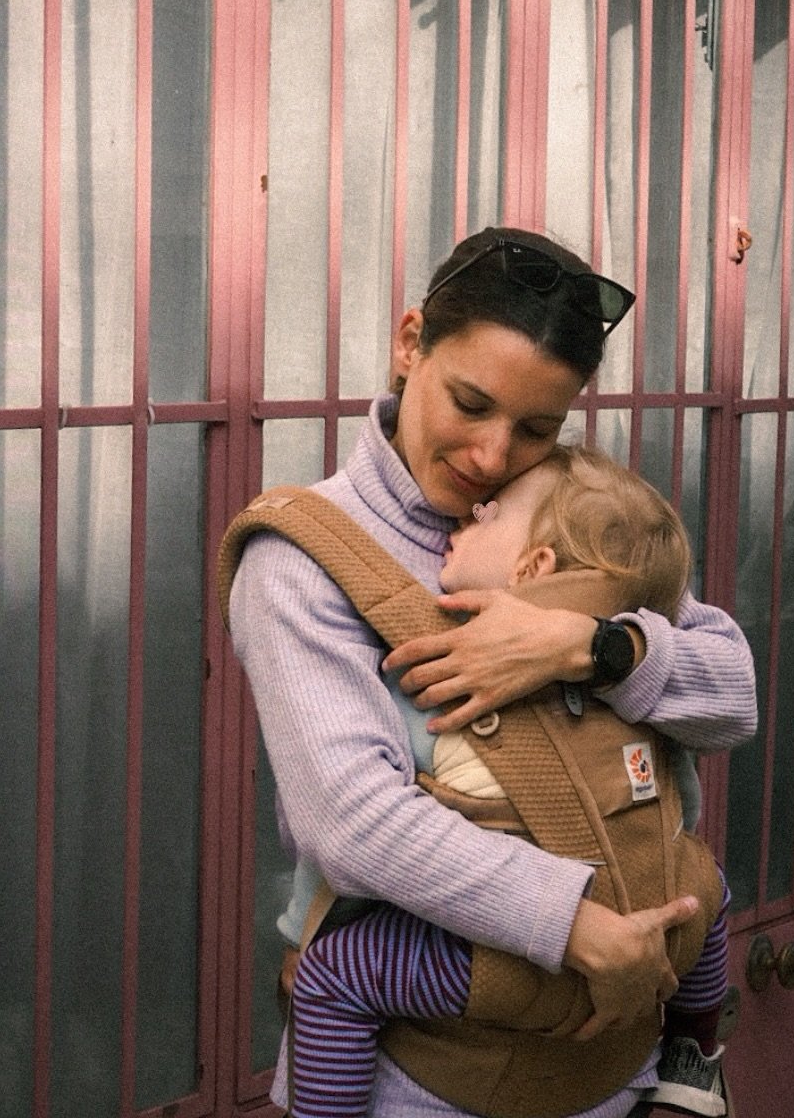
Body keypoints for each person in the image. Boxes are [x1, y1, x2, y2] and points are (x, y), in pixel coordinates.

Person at [227, 227, 756, 1118]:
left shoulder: (570, 512)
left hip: (608, 1073)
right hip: (422, 1078)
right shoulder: (303, 556)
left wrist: (585, 646)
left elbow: (731, 695)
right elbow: (352, 820)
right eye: (470, 403)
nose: (491, 456)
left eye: (536, 428)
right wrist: (575, 926)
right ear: (409, 346)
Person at [287, 443, 733, 1118]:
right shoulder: (638, 670)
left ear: (534, 566)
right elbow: (684, 812)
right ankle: (692, 1058)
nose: (472, 512)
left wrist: (303, 930)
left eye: (489, 517)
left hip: (498, 957)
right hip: (658, 934)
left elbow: (353, 819)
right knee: (711, 889)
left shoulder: (437, 667)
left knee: (335, 972)